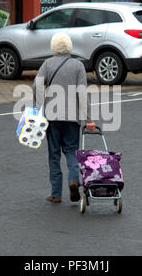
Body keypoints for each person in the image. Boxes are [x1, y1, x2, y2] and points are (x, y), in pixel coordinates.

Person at [33, 33, 95, 204]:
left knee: (53, 154)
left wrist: (38, 109)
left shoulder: (47, 64)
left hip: (52, 118)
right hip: (72, 118)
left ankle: (56, 194)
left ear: (53, 46)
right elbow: (82, 94)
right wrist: (88, 118)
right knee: (71, 151)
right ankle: (73, 180)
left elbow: (37, 85)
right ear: (69, 46)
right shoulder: (78, 66)